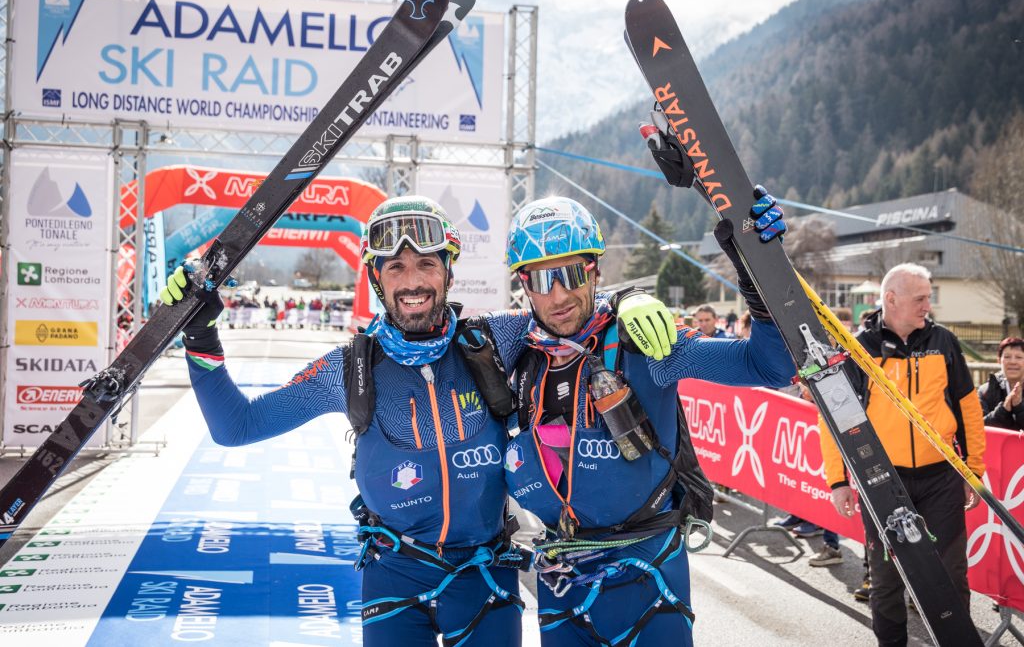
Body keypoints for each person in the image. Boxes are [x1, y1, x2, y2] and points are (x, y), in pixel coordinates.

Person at [160, 196, 676, 647]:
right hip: (395, 576)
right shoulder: (350, 369)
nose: (413, 282)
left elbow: (566, 305)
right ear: (375, 277)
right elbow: (237, 427)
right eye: (395, 267)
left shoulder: (496, 340)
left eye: (426, 264)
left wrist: (628, 298)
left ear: (448, 273)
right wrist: (201, 337)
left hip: (486, 576)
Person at [502, 194, 796, 646]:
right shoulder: (518, 351)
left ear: (595, 271)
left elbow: (770, 367)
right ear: (524, 284)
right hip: (562, 579)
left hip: (647, 575)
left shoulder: (644, 341)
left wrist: (759, 273)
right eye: (542, 279)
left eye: (572, 273)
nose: (558, 294)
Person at [821, 263, 985, 646]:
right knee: (886, 579)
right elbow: (832, 419)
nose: (929, 304)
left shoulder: (943, 341)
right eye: (922, 298)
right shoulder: (859, 350)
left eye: (929, 297)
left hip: (941, 477)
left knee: (950, 574)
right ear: (891, 299)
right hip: (883, 482)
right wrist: (838, 480)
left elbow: (968, 409)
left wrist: (972, 470)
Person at [978, 336, 1024, 431]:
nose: (1013, 362)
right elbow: (978, 427)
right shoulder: (986, 391)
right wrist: (1003, 409)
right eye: (1007, 357)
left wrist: (1019, 407)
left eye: (1019, 357)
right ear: (999, 360)